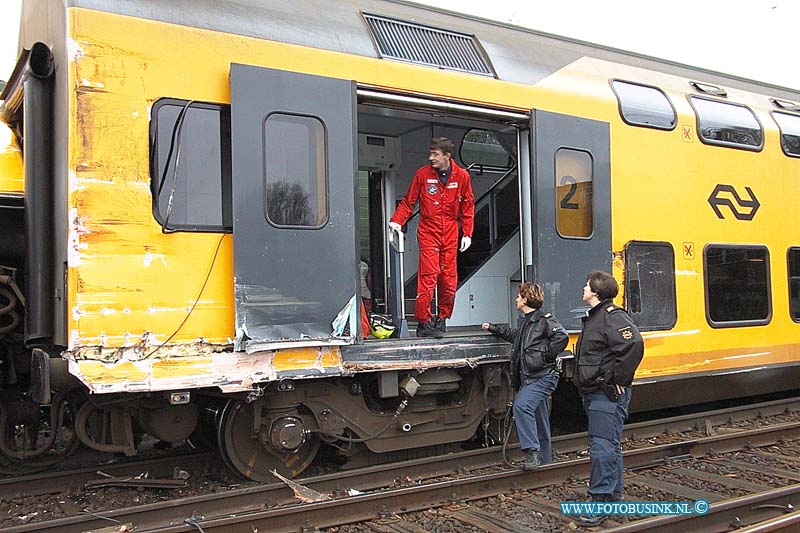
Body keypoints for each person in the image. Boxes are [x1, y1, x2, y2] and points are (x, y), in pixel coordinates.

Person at [575, 271, 644, 527]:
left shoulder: (612, 317)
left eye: (586, 285)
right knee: (609, 445)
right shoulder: (597, 318)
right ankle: (614, 497)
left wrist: (613, 379)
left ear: (595, 291)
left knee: (602, 448)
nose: (583, 288)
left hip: (605, 394)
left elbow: (633, 344)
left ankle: (600, 501)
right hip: (596, 393)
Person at [389, 137, 474, 339]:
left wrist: (468, 233)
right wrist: (396, 221)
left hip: (451, 232)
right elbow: (409, 202)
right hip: (428, 231)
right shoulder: (423, 175)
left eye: (435, 154)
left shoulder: (462, 176)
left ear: (447, 155)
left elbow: (468, 206)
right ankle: (423, 321)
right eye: (431, 153)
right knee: (428, 277)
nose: (431, 158)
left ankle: (442, 318)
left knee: (448, 281)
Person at [482, 282, 568, 470]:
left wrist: (545, 356)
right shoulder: (526, 321)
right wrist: (494, 328)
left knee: (522, 406)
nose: (516, 299)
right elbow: (515, 337)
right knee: (539, 415)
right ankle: (545, 459)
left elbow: (562, 337)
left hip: (542, 375)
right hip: (532, 376)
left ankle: (532, 453)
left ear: (526, 299)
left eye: (519, 296)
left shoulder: (544, 320)